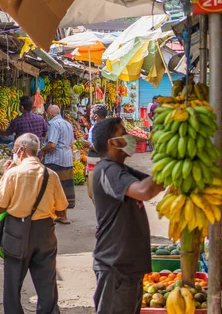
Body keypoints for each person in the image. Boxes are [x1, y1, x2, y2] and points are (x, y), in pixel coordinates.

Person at [90, 118, 164, 314]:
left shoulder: (121, 169)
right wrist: (170, 164)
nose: (128, 136)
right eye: (123, 132)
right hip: (115, 266)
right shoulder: (108, 170)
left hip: (127, 266)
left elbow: (153, 183)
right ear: (112, 142)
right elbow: (144, 191)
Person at [0, 133, 68, 314]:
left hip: (16, 231)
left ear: (20, 150)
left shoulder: (12, 174)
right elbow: (61, 210)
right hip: (45, 232)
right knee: (46, 283)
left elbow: (0, 207)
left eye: (14, 150)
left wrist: (6, 175)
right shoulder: (52, 175)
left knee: (12, 283)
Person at [40, 105, 75, 224]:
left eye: (47, 114)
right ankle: (63, 216)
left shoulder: (54, 124)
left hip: (55, 160)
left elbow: (52, 145)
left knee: (52, 188)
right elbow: (71, 144)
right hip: (67, 159)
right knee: (64, 188)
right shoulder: (67, 124)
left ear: (50, 114)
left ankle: (52, 215)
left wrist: (42, 150)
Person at [84, 104, 107, 202]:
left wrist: (89, 145)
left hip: (97, 164)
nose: (90, 115)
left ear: (96, 116)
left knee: (95, 195)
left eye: (91, 113)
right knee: (92, 194)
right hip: (92, 163)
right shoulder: (95, 127)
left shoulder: (102, 129)